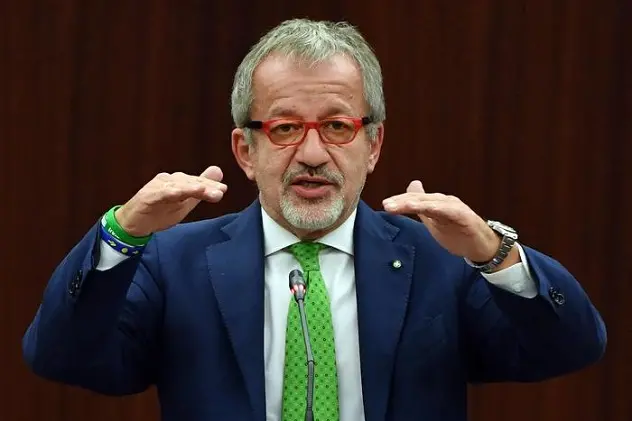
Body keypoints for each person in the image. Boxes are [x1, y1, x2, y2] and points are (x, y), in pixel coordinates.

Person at [22, 18, 606, 421]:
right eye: (283, 128)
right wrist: (120, 236)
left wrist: (493, 253)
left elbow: (570, 349)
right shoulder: (176, 262)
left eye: (336, 126)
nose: (310, 153)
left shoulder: (439, 259)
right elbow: (63, 357)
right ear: (245, 151)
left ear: (372, 146)